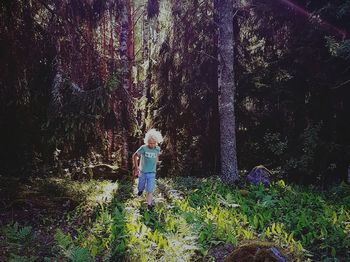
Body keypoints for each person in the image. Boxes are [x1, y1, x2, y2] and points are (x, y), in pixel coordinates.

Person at [132, 128, 163, 211]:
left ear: (156, 142)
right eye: (150, 143)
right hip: (143, 172)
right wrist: (136, 167)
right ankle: (140, 190)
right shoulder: (144, 148)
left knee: (150, 190)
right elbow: (135, 156)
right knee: (141, 186)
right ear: (147, 141)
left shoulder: (157, 149)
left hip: (152, 173)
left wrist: (157, 162)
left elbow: (156, 156)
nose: (152, 145)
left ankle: (149, 206)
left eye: (154, 143)